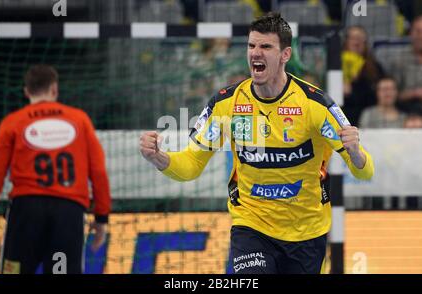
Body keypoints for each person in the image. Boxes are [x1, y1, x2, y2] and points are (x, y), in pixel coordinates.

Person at [140, 12, 374, 274]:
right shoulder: (225, 104)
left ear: (285, 55)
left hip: (308, 233)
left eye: (265, 46)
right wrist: (161, 158)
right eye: (251, 46)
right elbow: (191, 164)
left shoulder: (316, 105)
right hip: (251, 226)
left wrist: (355, 152)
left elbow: (364, 172)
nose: (255, 53)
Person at [0, 65, 111, 274]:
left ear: (26, 91)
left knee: (14, 271)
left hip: (26, 213)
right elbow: (98, 171)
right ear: (55, 89)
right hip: (68, 214)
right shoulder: (79, 120)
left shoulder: (13, 122)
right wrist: (101, 218)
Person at [390, 14, 422, 116]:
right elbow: (392, 95)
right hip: (407, 111)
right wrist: (414, 93)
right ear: (411, 34)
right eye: (418, 32)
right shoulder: (399, 60)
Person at [342, 25, 385, 126]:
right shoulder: (334, 66)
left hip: (368, 116)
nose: (356, 43)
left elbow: (377, 95)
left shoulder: (374, 67)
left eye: (360, 39)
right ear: (346, 42)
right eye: (353, 38)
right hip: (342, 115)